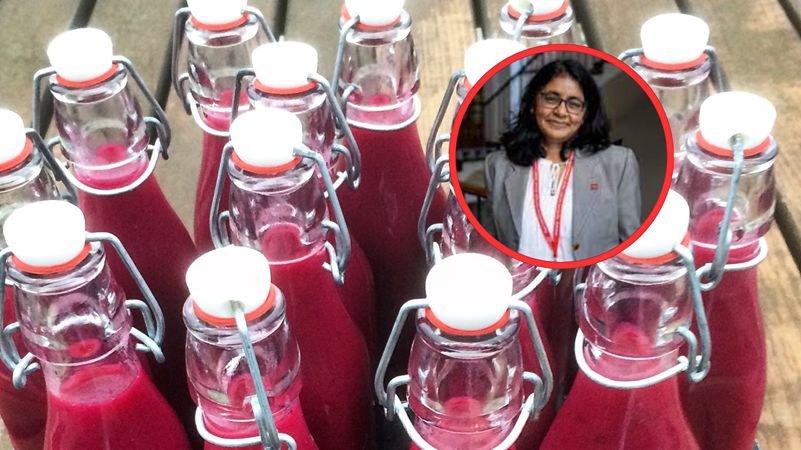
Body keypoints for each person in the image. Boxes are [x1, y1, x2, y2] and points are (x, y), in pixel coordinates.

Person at [485, 59, 642, 262]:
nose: (560, 112)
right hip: (522, 280)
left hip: (588, 280)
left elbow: (631, 246)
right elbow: (491, 244)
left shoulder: (619, 163)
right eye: (551, 99)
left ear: (585, 114)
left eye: (574, 104)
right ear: (533, 104)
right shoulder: (497, 165)